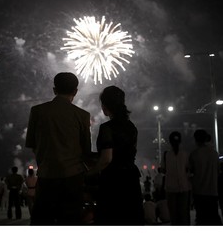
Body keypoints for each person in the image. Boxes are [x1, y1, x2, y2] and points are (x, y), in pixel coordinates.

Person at [25, 72, 92, 225]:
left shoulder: (37, 111)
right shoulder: (82, 115)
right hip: (73, 177)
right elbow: (86, 151)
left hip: (46, 176)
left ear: (54, 90)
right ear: (75, 91)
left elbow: (32, 145)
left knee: (42, 222)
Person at [87, 86, 144, 225]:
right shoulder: (131, 127)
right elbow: (127, 153)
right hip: (131, 179)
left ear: (106, 106)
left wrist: (88, 173)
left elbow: (107, 159)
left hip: (114, 182)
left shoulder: (107, 128)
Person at [189, 129, 222, 225]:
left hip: (199, 192)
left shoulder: (194, 154)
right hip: (213, 191)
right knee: (213, 217)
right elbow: (217, 171)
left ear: (196, 140)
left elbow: (191, 172)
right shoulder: (214, 154)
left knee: (201, 218)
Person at [161, 131, 191, 225]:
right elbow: (188, 168)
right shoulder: (185, 154)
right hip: (184, 187)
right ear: (180, 141)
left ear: (169, 142)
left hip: (170, 188)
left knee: (173, 215)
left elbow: (163, 170)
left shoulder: (166, 155)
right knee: (184, 214)